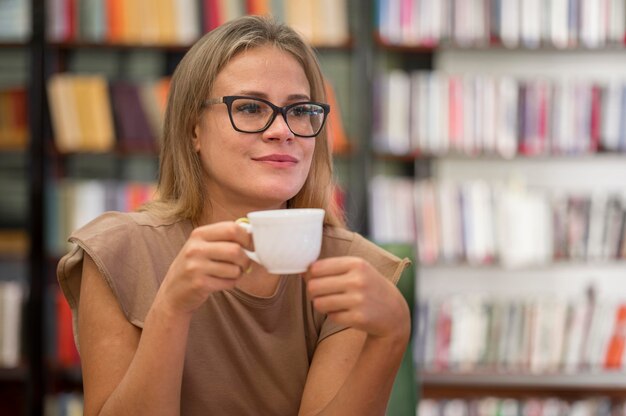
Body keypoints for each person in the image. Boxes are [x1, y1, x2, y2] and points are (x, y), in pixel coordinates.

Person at [57, 15, 411, 416]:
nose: (283, 131)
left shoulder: (354, 268)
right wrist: (172, 306)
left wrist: (392, 336)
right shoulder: (120, 252)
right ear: (193, 130)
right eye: (249, 107)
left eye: (299, 111)